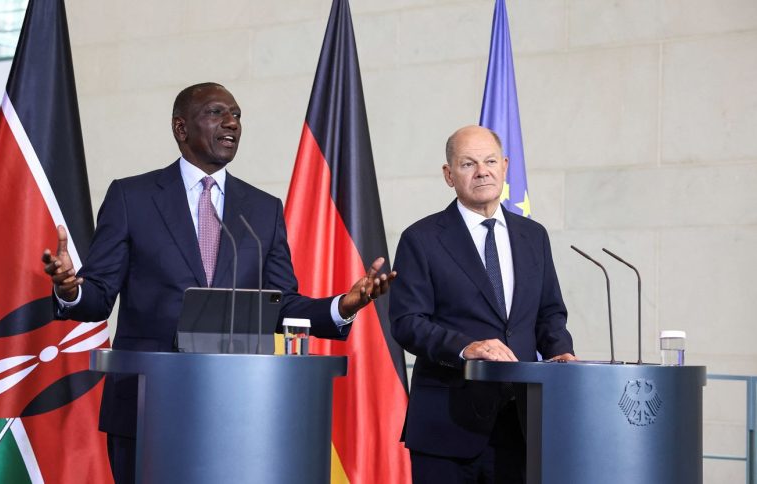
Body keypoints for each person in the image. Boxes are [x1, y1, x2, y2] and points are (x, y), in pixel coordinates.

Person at [41, 82, 395, 483]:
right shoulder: (132, 197)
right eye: (216, 113)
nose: (231, 123)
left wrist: (341, 306)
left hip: (238, 411)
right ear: (181, 128)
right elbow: (99, 296)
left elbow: (282, 306)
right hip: (146, 404)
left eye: (237, 115)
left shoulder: (262, 209)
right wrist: (71, 289)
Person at [389, 125, 575, 483]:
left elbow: (549, 311)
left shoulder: (533, 236)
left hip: (521, 425)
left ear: (505, 166)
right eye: (468, 163)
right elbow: (407, 322)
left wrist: (559, 351)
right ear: (448, 175)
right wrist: (466, 347)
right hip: (448, 428)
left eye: (490, 161)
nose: (482, 171)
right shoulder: (421, 239)